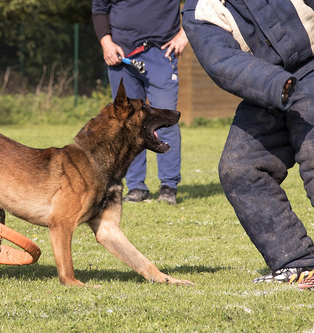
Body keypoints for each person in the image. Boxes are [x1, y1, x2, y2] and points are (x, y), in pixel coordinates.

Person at [182, 0, 314, 284]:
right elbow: (222, 62)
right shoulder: (199, 10)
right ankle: (298, 261)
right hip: (267, 90)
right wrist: (274, 85)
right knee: (239, 168)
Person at [92, 0, 188, 205]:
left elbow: (200, 4)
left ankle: (168, 186)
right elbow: (99, 9)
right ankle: (136, 187)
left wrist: (185, 34)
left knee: (166, 119)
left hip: (161, 53)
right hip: (121, 57)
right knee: (127, 122)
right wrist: (106, 43)